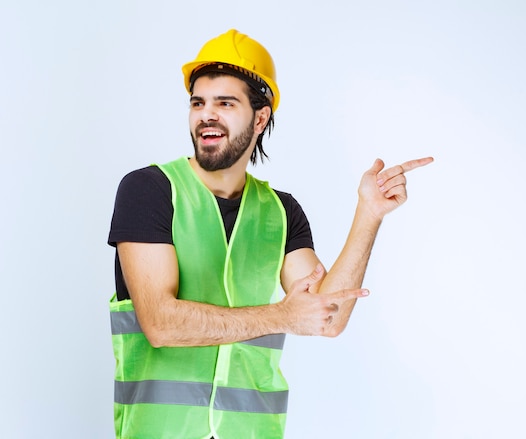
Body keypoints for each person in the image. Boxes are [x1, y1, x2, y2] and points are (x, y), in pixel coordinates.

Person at [108, 29, 433, 439]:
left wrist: (368, 215)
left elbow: (326, 318)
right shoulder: (150, 191)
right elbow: (160, 322)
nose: (207, 115)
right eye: (198, 103)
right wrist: (280, 316)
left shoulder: (280, 212)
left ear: (260, 118)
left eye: (225, 103)